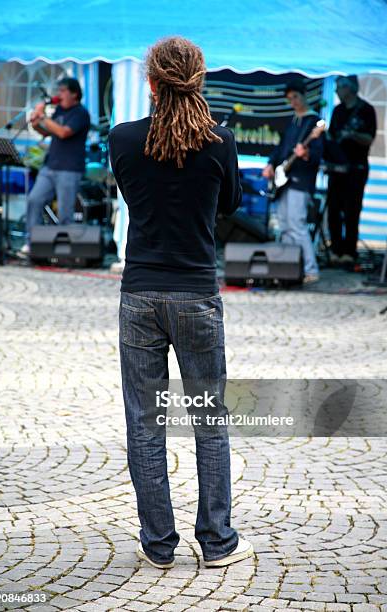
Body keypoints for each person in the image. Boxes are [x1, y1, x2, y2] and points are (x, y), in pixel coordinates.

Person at [108, 36, 253, 569]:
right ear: (200, 80)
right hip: (196, 293)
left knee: (145, 422)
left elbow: (132, 192)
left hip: (140, 293)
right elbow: (231, 203)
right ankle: (217, 542)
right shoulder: (221, 141)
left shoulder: (122, 139)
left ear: (150, 82)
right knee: (209, 422)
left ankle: (158, 544)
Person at [19, 77, 90, 256]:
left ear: (74, 94)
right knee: (34, 200)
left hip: (69, 169)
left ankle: (63, 251)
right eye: (58, 91)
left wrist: (43, 116)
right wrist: (36, 123)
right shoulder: (58, 110)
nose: (59, 94)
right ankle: (33, 243)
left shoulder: (80, 113)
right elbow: (48, 131)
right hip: (50, 166)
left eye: (63, 91)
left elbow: (63, 132)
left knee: (65, 213)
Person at [262, 79, 323, 283]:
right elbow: (281, 149)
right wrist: (271, 164)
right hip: (285, 179)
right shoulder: (293, 121)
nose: (293, 102)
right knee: (285, 225)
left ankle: (310, 268)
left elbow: (318, 155)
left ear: (304, 95)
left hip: (301, 180)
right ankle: (290, 268)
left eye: (295, 97)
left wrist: (305, 154)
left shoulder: (313, 121)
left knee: (297, 223)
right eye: (289, 99)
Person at [325, 75, 377, 265]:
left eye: (340, 87)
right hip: (337, 169)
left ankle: (349, 251)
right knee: (333, 211)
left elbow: (370, 138)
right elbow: (330, 138)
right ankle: (336, 250)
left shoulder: (366, 110)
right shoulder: (337, 111)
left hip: (356, 168)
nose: (337, 91)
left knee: (352, 210)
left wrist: (353, 134)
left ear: (351, 88)